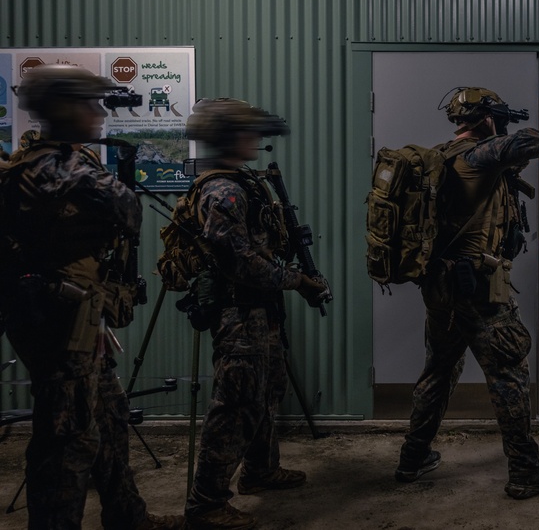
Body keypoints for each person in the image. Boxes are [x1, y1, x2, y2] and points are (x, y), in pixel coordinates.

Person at [0, 64, 184, 529]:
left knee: (109, 419)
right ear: (63, 107)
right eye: (90, 103)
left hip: (75, 316)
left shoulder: (44, 160)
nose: (99, 112)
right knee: (68, 442)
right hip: (63, 324)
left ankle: (127, 516)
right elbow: (128, 210)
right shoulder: (61, 169)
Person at [395, 87, 539, 500]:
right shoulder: (478, 155)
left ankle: (412, 458)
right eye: (496, 117)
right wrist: (499, 132)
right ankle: (525, 469)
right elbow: (537, 140)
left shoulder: (443, 156)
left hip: (441, 290)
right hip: (478, 292)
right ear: (486, 118)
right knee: (509, 372)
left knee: (438, 370)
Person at [181, 98, 328, 530]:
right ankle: (206, 503)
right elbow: (240, 262)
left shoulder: (241, 181)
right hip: (239, 313)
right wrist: (296, 281)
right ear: (230, 136)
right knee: (235, 403)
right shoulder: (223, 190)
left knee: (267, 393)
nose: (255, 140)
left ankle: (261, 470)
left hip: (261, 310)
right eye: (248, 132)